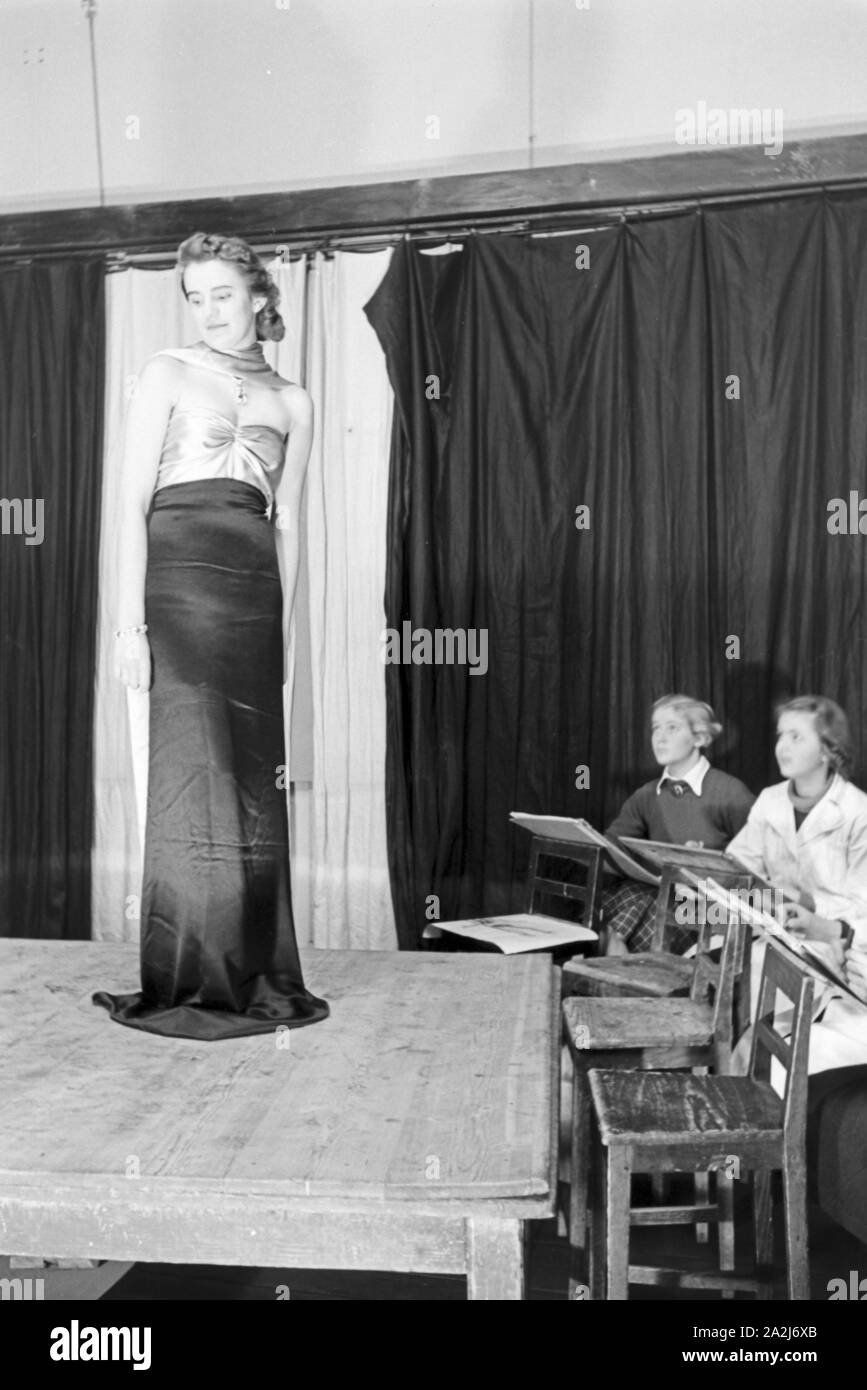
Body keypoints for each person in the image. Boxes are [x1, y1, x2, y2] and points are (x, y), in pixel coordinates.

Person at [93, 232, 329, 1040]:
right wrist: (128, 623)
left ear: (259, 296)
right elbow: (128, 503)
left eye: (221, 294)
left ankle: (254, 968)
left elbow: (289, 522)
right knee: (194, 767)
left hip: (255, 589)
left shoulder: (293, 401)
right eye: (194, 297)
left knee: (254, 779)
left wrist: (289, 634)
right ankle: (188, 970)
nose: (207, 311)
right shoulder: (165, 372)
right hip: (179, 581)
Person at [727, 694, 867, 1071]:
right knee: (723, 971)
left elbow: (860, 906)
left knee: (757, 982)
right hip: (772, 926)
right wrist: (720, 871)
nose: (781, 747)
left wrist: (810, 904)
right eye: (780, 735)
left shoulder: (857, 812)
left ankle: (739, 1086)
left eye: (796, 737)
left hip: (828, 943)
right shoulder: (770, 801)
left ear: (827, 750)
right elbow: (740, 864)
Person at [602, 694, 754, 953]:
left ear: (699, 738)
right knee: (626, 900)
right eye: (656, 728)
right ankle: (624, 970)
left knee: (649, 908)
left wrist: (705, 868)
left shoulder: (730, 793)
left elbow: (765, 868)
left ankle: (622, 972)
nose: (660, 737)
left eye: (672, 728)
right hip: (661, 902)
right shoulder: (647, 795)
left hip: (715, 911)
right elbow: (608, 851)